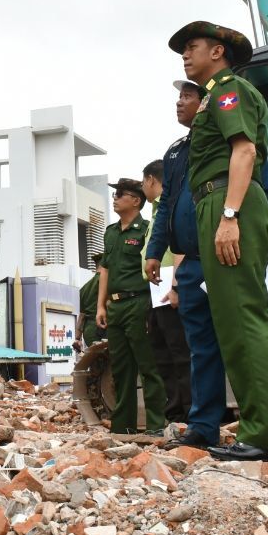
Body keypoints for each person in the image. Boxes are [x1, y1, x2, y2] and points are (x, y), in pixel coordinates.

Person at [169, 21, 268, 461]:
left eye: (192, 46)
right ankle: (260, 431)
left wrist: (230, 216)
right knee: (231, 324)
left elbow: (244, 150)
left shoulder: (228, 90)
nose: (185, 54)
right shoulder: (213, 96)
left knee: (242, 321)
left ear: (218, 51)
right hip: (215, 202)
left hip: (227, 200)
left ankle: (266, 437)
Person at [145, 80, 227, 450]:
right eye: (178, 96)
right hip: (191, 262)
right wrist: (155, 249)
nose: (179, 102)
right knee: (200, 347)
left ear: (206, 102)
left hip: (225, 255)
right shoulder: (176, 151)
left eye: (187, 96)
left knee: (239, 341)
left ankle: (258, 425)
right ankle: (203, 427)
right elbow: (167, 204)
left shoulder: (226, 138)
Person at [97, 178, 168, 434]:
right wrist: (101, 306)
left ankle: (156, 425)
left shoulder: (147, 230)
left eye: (120, 194)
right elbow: (104, 270)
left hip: (139, 303)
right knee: (121, 369)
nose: (115, 198)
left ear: (136, 200)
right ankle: (123, 426)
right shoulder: (110, 232)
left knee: (148, 365)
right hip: (115, 306)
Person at [141, 159, 192, 424]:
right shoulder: (156, 212)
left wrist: (176, 287)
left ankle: (190, 414)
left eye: (143, 182)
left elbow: (180, 248)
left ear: (151, 180)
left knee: (180, 355)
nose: (143, 187)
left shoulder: (171, 206)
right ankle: (174, 415)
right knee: (164, 356)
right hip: (156, 291)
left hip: (171, 288)